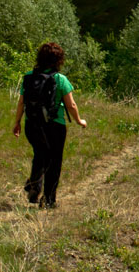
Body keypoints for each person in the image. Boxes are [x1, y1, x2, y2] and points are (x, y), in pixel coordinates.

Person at [13, 42, 87, 208]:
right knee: (54, 161)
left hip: (32, 125)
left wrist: (17, 122)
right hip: (54, 126)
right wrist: (79, 120)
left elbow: (21, 103)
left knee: (40, 155)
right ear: (59, 60)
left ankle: (34, 184)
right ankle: (48, 200)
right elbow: (71, 105)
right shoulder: (60, 79)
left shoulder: (29, 77)